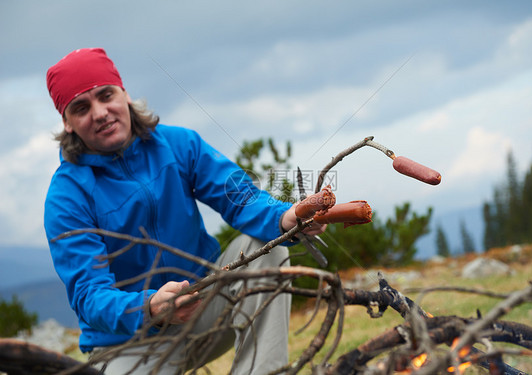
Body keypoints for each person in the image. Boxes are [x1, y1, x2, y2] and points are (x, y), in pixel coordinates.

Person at [44, 48, 325, 374]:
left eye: (106, 95)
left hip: (202, 306)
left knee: (265, 252)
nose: (100, 112)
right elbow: (89, 294)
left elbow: (240, 196)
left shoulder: (180, 145)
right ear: (67, 123)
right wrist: (149, 306)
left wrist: (283, 219)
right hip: (128, 342)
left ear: (125, 94)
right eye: (81, 108)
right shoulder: (66, 196)